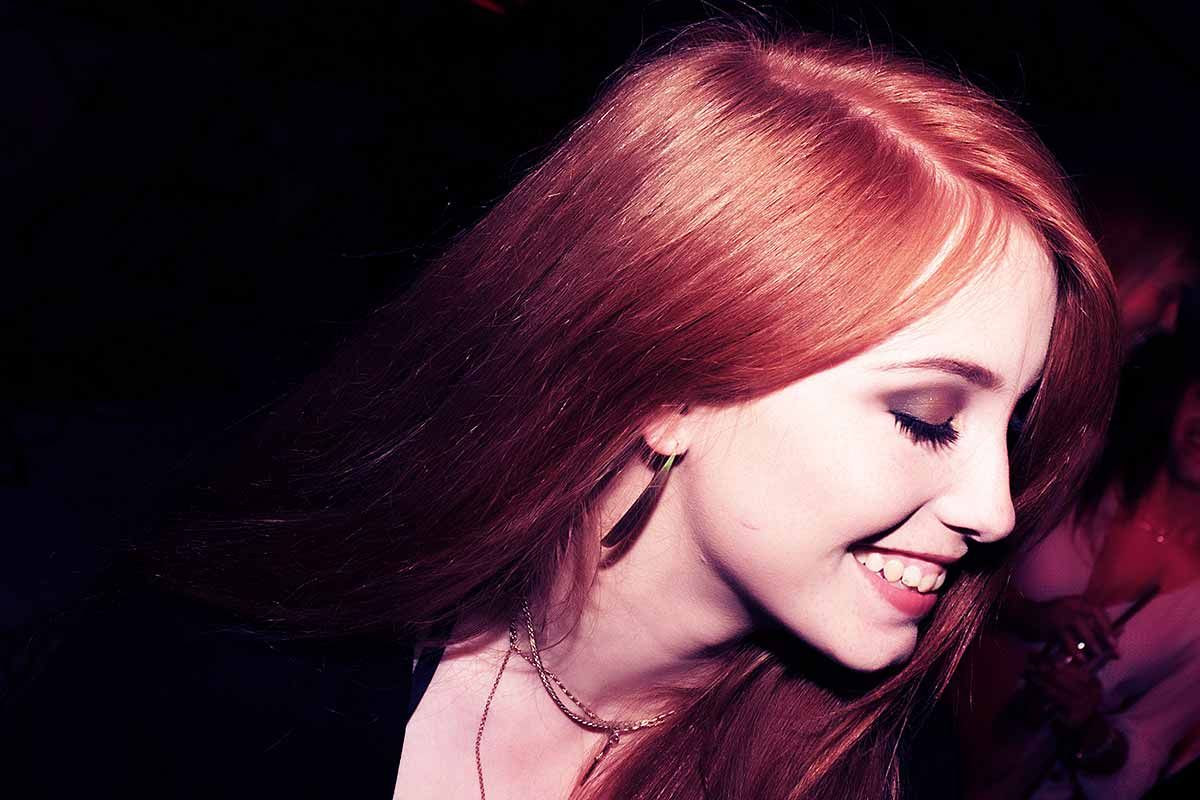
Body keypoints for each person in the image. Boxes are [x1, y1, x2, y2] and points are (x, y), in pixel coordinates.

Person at [1, 23, 1118, 800]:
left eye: (1011, 426)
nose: (996, 508)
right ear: (671, 380)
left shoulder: (880, 773)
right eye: (928, 415)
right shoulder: (224, 660)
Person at [959, 331, 1200, 799]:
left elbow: (1144, 762)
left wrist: (1088, 728)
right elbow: (954, 566)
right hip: (918, 724)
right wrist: (1029, 615)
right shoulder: (1081, 469)